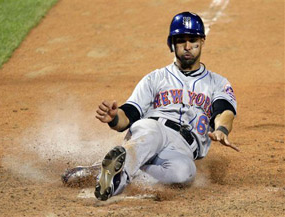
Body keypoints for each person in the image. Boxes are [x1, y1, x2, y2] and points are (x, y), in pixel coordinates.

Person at [94, 11, 239, 201]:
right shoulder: (155, 78)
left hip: (182, 148)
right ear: (172, 43)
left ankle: (109, 171)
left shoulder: (217, 83)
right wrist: (114, 117)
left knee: (185, 173)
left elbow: (224, 111)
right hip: (155, 128)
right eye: (181, 40)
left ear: (202, 41)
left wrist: (221, 129)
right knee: (151, 132)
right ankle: (117, 181)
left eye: (192, 40)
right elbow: (130, 113)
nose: (187, 46)